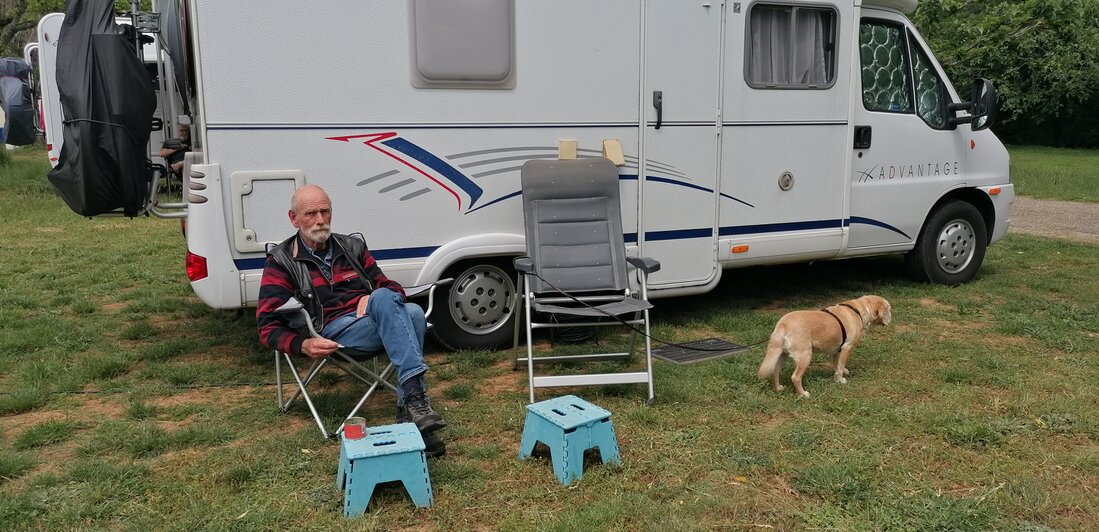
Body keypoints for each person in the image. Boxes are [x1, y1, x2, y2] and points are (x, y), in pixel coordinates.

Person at [256, 184, 447, 455]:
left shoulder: (351, 247)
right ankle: (414, 403)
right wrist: (302, 344)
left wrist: (375, 298)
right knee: (412, 314)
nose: (320, 220)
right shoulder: (281, 261)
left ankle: (412, 409)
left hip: (373, 322)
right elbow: (266, 325)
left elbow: (391, 287)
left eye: (325, 211)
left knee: (404, 307)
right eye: (311, 214)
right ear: (293, 218)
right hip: (332, 332)